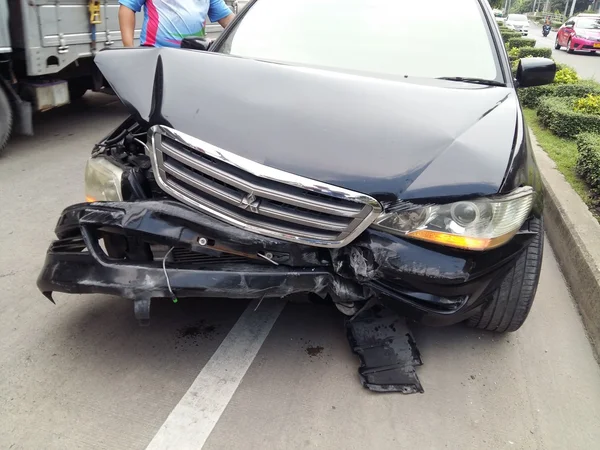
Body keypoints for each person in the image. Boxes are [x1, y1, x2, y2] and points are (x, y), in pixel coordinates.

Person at [118, 0, 235, 48]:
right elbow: (127, 8)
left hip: (193, 56)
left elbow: (226, 18)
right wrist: (129, 48)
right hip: (155, 54)